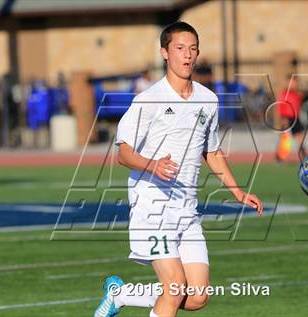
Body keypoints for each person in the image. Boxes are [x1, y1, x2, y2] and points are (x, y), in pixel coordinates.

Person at [94, 21, 263, 317]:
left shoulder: (208, 100)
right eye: (180, 48)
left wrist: (237, 192)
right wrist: (153, 165)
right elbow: (123, 153)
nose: (187, 55)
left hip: (187, 211)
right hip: (152, 208)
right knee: (174, 288)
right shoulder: (148, 100)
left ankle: (120, 294)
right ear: (164, 53)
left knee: (197, 298)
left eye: (193, 49)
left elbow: (210, 151)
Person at [275, 76, 308, 162]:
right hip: (287, 118)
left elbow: (306, 95)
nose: (293, 84)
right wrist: (283, 119)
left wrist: (301, 86)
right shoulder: (284, 93)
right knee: (285, 139)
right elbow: (280, 106)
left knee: (300, 138)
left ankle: (304, 155)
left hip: (296, 118)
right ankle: (280, 157)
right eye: (292, 82)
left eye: (295, 82)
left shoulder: (297, 94)